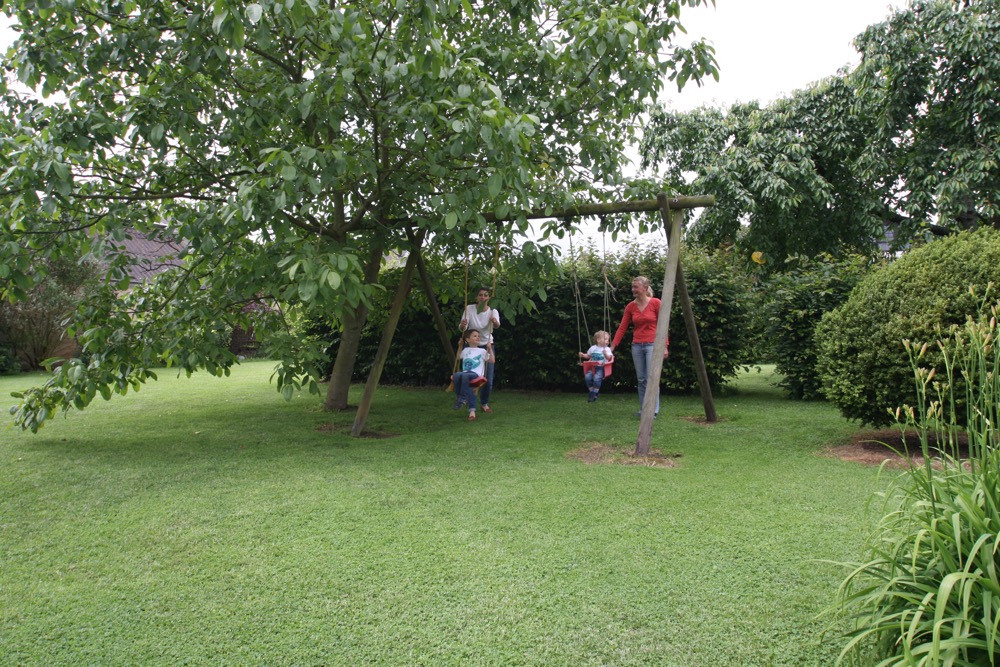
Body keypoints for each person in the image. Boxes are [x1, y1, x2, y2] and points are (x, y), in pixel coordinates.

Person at [610, 276, 669, 416]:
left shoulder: (656, 303)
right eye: (632, 287)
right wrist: (612, 346)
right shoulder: (631, 306)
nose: (633, 290)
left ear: (645, 287)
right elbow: (622, 327)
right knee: (641, 379)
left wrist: (665, 346)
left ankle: (653, 410)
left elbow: (663, 325)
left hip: (653, 345)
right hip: (637, 345)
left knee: (651, 377)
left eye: (636, 287)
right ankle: (644, 409)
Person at [459, 287, 500, 414]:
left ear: (488, 298)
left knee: (488, 378)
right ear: (477, 297)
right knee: (470, 377)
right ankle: (470, 404)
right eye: (480, 295)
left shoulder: (493, 311)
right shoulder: (469, 309)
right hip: (472, 345)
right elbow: (462, 328)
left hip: (487, 345)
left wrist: (494, 322)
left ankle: (484, 403)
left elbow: (497, 325)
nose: (483, 297)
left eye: (485, 295)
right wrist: (463, 324)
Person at [452, 330, 494, 421]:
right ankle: (460, 398)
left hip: (476, 375)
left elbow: (492, 361)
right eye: (475, 336)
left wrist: (490, 348)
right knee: (456, 375)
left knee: (464, 376)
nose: (478, 337)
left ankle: (462, 398)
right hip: (466, 373)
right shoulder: (466, 350)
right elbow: (458, 357)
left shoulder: (482, 351)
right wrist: (460, 346)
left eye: (479, 336)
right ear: (468, 339)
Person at [578, 330, 613, 402]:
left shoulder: (607, 349)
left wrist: (605, 354)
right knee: (587, 377)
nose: (607, 341)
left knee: (597, 378)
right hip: (592, 367)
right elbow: (588, 356)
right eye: (605, 339)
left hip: (602, 367)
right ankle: (592, 391)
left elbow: (609, 358)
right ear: (598, 340)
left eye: (608, 339)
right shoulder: (592, 348)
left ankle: (594, 394)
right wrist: (582, 355)